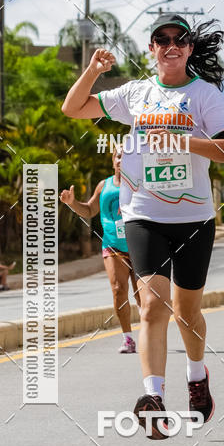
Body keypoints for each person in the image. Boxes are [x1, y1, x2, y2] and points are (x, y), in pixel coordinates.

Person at [62, 13, 224, 438]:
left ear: (190, 49)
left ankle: (197, 375)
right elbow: (73, 108)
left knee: (188, 312)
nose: (171, 45)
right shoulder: (135, 94)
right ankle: (153, 397)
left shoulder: (205, 95)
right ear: (151, 49)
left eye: (179, 39)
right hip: (143, 212)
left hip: (194, 217)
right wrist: (93, 70)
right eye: (162, 39)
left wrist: (179, 140)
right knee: (154, 306)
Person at [60, 148, 140, 353]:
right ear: (113, 161)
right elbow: (89, 210)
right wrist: (72, 203)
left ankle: (150, 332)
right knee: (118, 290)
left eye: (127, 156)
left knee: (142, 296)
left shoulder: (142, 182)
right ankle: (128, 339)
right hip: (113, 246)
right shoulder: (104, 185)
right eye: (118, 156)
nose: (122, 160)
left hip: (140, 245)